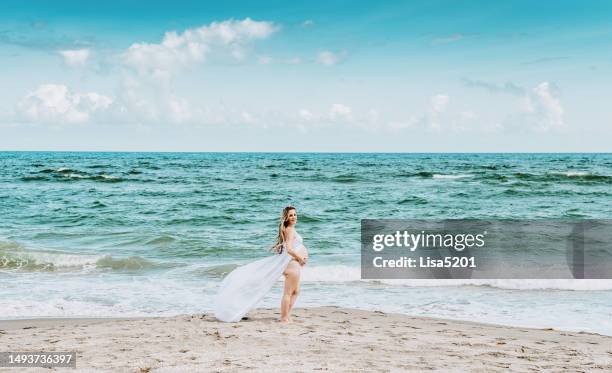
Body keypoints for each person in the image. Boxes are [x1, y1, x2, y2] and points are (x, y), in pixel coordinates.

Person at [214, 206, 309, 323]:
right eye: (291, 215)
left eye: (295, 214)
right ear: (286, 218)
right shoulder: (289, 229)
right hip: (292, 263)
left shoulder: (288, 228)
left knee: (296, 291)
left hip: (293, 263)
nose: (294, 217)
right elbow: (289, 249)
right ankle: (284, 318)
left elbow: (287, 245)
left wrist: (281, 247)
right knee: (289, 292)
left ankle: (286, 316)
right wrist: (300, 258)